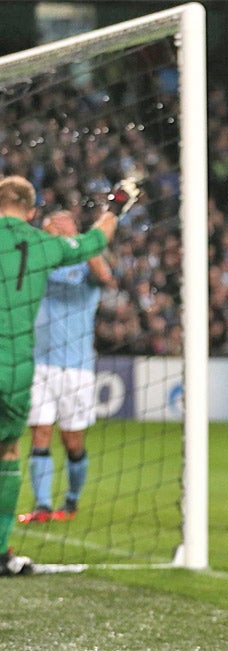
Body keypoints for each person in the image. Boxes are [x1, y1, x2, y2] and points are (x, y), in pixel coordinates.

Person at [0, 175, 138, 576]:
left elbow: (100, 266)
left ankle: (67, 501)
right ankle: (4, 550)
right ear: (31, 212)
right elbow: (96, 241)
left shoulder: (58, 255)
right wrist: (115, 207)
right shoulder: (43, 247)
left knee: (68, 440)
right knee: (10, 451)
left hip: (70, 365)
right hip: (20, 365)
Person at [17, 210, 116, 524]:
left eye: (66, 221)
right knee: (40, 433)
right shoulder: (40, 262)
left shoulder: (86, 266)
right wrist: (49, 237)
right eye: (53, 222)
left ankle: (70, 503)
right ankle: (43, 507)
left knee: (73, 441)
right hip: (40, 364)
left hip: (77, 368)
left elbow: (106, 277)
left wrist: (79, 243)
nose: (59, 225)